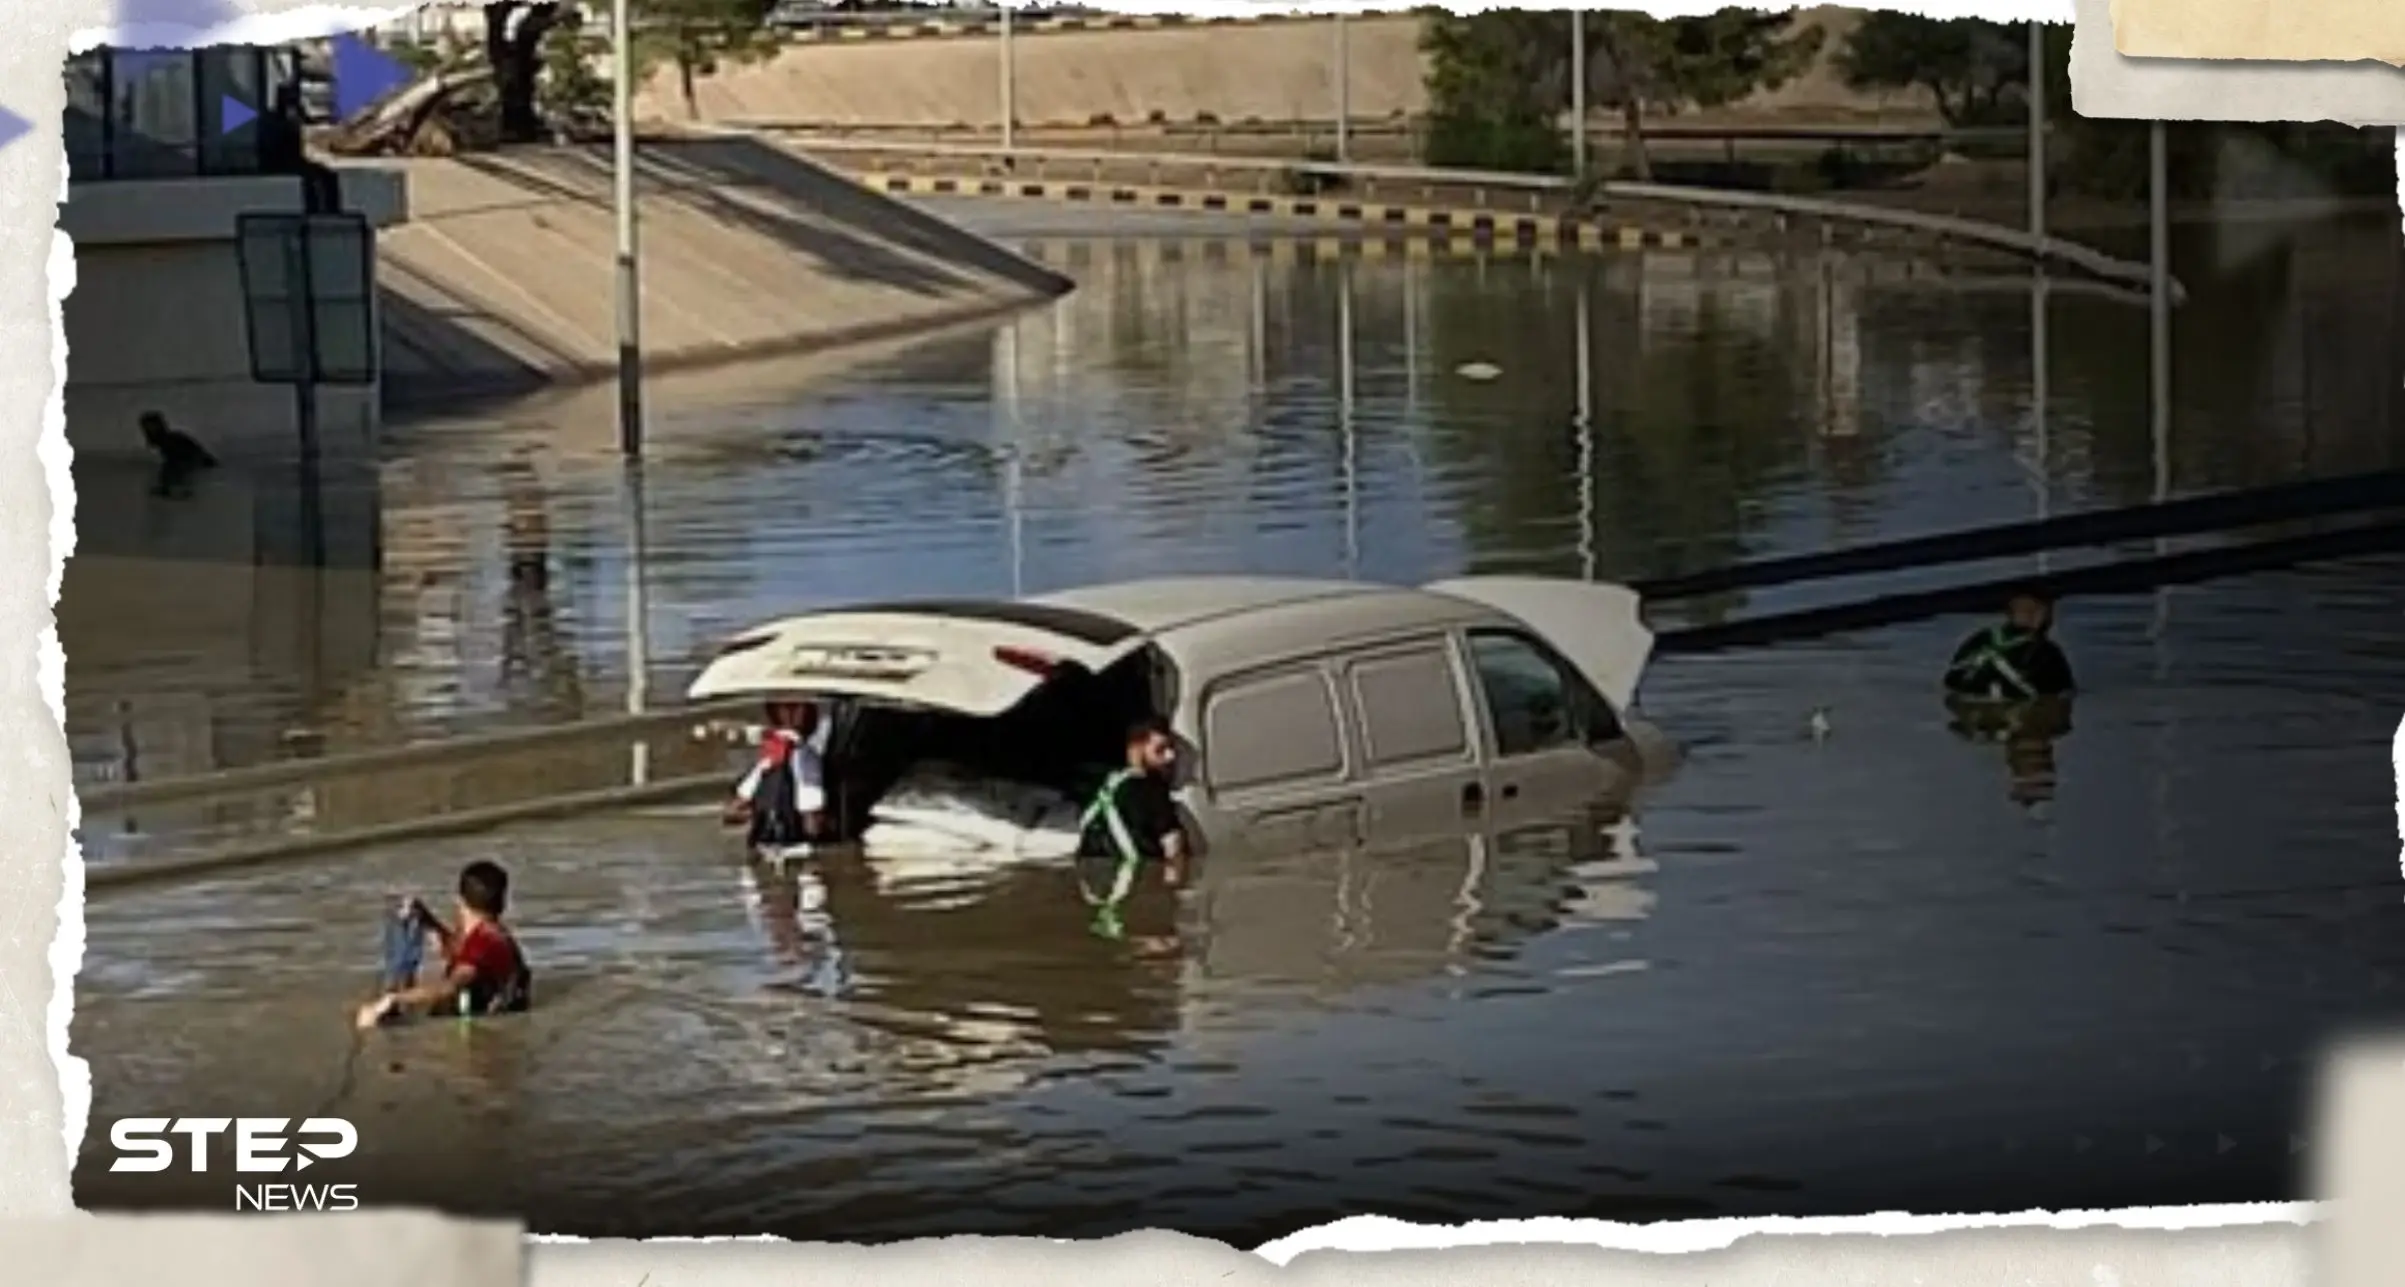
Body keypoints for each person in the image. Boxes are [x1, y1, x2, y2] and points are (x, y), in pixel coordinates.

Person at [355, 860, 533, 1029]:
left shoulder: (483, 943)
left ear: (460, 900)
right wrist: (428, 921)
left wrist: (393, 999)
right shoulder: (490, 934)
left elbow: (450, 986)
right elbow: (458, 951)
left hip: (479, 1023)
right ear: (502, 904)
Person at [1074, 717, 1190, 944]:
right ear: (1136, 748)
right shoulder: (1152, 791)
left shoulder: (1107, 785)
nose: (1170, 757)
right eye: (1160, 750)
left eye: (1171, 749)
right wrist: (1178, 888)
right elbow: (1173, 847)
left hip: (1098, 885)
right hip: (1140, 886)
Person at [724, 700, 830, 855]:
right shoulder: (779, 759)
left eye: (795, 707)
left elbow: (733, 811)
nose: (790, 713)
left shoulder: (791, 758)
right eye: (785, 707)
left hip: (779, 847)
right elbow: (732, 812)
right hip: (782, 847)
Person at [1944, 588, 2076, 703]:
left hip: (1970, 703)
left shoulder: (1980, 638)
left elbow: (1949, 682)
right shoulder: (2048, 652)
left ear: (2009, 613)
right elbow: (2065, 694)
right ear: (2044, 614)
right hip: (2018, 710)